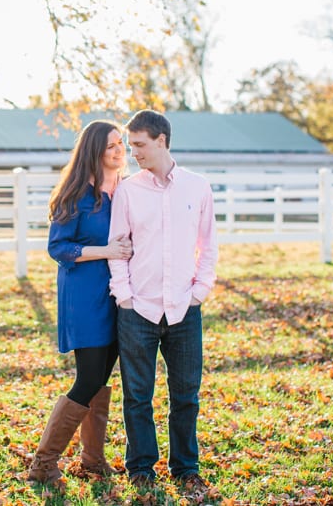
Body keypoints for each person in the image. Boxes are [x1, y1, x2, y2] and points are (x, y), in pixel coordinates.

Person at [107, 110, 219, 499]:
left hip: (185, 309)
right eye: (130, 144)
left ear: (161, 140)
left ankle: (186, 466)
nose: (132, 152)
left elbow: (208, 246)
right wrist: (125, 297)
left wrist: (199, 291)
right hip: (138, 309)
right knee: (137, 395)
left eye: (138, 144)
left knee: (186, 394)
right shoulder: (128, 190)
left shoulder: (197, 187)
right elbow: (118, 248)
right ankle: (141, 467)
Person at [28, 119, 133, 485]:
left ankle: (92, 460)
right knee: (88, 377)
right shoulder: (75, 194)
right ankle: (43, 463)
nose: (120, 151)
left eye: (121, 143)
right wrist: (105, 250)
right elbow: (58, 248)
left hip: (120, 295)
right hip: (84, 297)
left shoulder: (128, 190)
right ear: (94, 151)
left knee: (102, 378)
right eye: (111, 146)